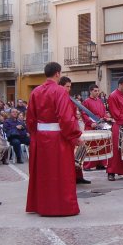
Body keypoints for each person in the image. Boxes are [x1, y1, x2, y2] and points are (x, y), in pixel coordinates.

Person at [26, 62, 84, 216]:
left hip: (41, 137)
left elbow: (30, 119)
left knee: (44, 173)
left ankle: (42, 205)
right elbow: (65, 118)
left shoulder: (35, 92)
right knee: (61, 173)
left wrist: (35, 135)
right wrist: (75, 136)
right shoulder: (60, 91)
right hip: (58, 138)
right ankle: (62, 206)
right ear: (58, 73)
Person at [58, 76, 91, 184]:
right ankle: (70, 178)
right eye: (67, 86)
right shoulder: (59, 98)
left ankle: (78, 176)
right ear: (60, 86)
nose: (68, 89)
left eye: (69, 87)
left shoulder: (70, 99)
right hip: (66, 130)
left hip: (73, 126)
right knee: (69, 156)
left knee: (77, 153)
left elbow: (74, 116)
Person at [81, 83, 110, 172]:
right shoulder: (86, 102)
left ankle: (100, 164)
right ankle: (87, 165)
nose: (97, 92)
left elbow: (104, 112)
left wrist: (105, 117)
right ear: (90, 91)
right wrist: (90, 123)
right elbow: (84, 114)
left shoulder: (100, 101)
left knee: (101, 145)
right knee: (90, 146)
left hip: (100, 125)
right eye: (95, 91)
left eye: (98, 91)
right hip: (91, 126)